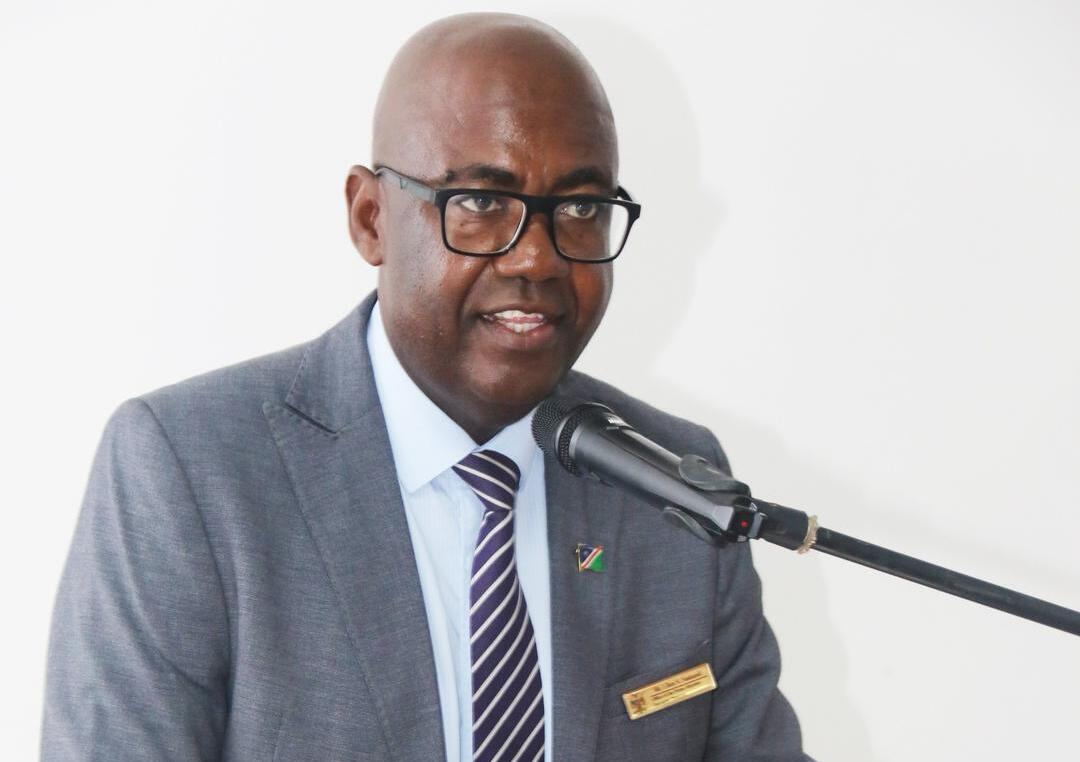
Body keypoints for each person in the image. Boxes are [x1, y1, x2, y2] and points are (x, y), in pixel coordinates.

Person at [41, 12, 811, 762]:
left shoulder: (670, 485)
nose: (536, 259)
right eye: (481, 202)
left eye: (580, 208)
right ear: (370, 217)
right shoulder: (191, 472)